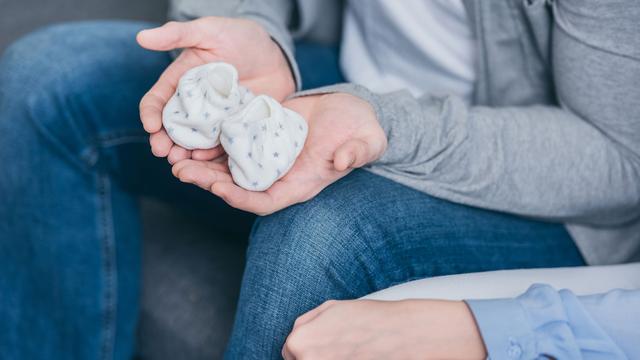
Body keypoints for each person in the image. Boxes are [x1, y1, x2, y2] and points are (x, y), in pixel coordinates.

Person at [0, 0, 638, 359]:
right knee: (45, 80)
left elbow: (619, 159)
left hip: (539, 195)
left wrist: (382, 123)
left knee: (319, 225)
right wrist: (254, 30)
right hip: (342, 74)